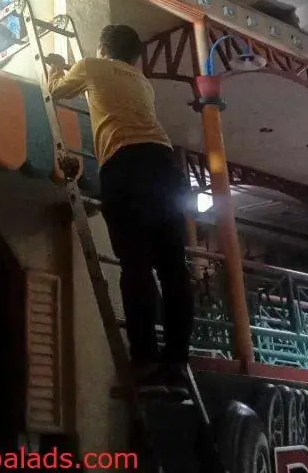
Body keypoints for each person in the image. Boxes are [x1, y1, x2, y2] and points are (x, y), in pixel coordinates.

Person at [45, 24, 193, 397]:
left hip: (126, 165)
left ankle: (145, 363)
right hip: (164, 165)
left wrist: (57, 66)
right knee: (173, 268)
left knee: (136, 265)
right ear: (134, 57)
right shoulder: (143, 83)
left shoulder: (91, 66)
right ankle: (176, 364)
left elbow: (55, 90)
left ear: (102, 47)